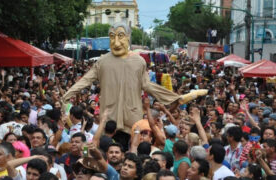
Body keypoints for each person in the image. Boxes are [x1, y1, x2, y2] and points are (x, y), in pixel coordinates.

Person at [62, 22, 207, 133]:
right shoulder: (102, 61)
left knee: (133, 147)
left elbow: (147, 85)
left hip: (132, 115)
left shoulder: (139, 61)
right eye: (112, 37)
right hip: (109, 115)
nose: (116, 42)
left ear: (128, 37)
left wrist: (174, 98)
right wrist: (66, 96)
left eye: (120, 36)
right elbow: (85, 80)